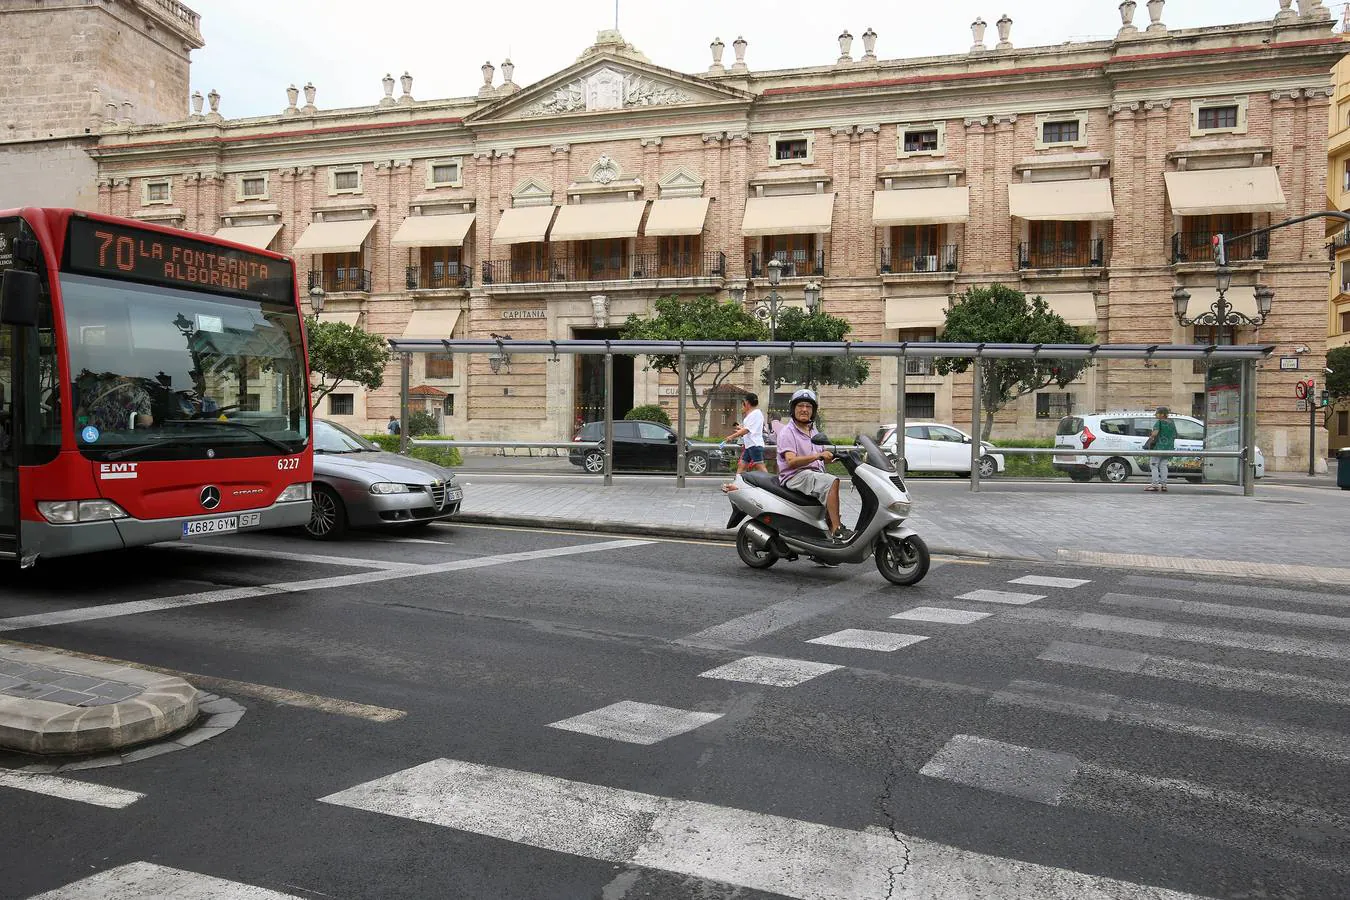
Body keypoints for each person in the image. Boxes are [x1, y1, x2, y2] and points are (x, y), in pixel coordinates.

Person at [775, 388, 850, 541]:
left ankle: (824, 546)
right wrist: (818, 455)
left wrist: (837, 456)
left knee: (829, 492)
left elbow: (820, 456)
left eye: (808, 407)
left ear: (813, 410)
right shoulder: (787, 432)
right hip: (794, 476)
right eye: (800, 406)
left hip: (812, 475)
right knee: (831, 481)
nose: (804, 410)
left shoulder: (813, 430)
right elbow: (791, 461)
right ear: (793, 409)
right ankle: (837, 528)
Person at [77, 373, 153, 434]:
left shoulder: (95, 387)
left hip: (94, 439)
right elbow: (145, 422)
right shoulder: (140, 392)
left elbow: (81, 414)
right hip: (122, 442)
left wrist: (83, 428)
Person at [721, 393, 766, 491]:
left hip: (754, 445)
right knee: (742, 465)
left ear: (747, 403)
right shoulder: (753, 415)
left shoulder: (756, 413)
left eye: (742, 404)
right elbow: (748, 429)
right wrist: (740, 429)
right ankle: (736, 485)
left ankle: (770, 485)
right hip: (750, 445)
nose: (742, 407)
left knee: (760, 467)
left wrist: (732, 436)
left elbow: (747, 430)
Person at [1146, 406, 1176, 492]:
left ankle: (1155, 485)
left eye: (1157, 413)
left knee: (1154, 465)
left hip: (1158, 447)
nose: (1156, 415)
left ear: (1162, 414)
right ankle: (1164, 485)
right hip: (1168, 447)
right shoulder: (1172, 422)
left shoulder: (1159, 422)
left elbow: (1155, 433)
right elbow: (1174, 435)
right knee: (1163, 466)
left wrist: (1151, 436)